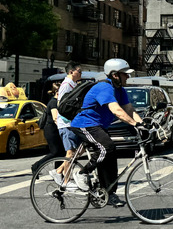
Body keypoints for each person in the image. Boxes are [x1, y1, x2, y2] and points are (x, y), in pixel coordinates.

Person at [70, 58, 142, 207]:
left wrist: (142, 124)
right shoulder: (105, 87)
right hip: (85, 124)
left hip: (98, 126)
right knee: (107, 147)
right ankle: (82, 173)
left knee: (111, 154)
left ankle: (108, 193)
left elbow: (128, 109)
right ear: (115, 75)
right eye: (125, 74)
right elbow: (116, 110)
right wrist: (134, 124)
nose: (128, 77)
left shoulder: (120, 90)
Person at [30, 82, 67, 181]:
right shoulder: (53, 102)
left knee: (61, 153)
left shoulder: (57, 102)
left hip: (54, 129)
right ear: (57, 92)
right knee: (55, 152)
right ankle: (36, 166)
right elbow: (55, 118)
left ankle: (58, 173)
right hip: (52, 130)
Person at [55, 62, 82, 184]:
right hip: (67, 124)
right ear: (71, 72)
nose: (81, 73)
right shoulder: (66, 85)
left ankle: (59, 170)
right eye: (79, 71)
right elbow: (60, 104)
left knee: (77, 150)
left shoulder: (72, 84)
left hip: (72, 123)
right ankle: (66, 181)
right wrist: (69, 119)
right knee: (70, 153)